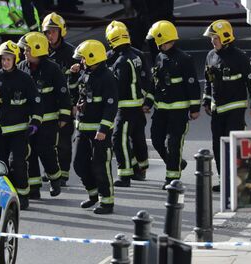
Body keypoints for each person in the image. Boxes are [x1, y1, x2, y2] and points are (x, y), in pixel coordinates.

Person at [0, 41, 43, 210]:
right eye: (3, 59)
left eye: (9, 59)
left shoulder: (25, 79)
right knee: (1, 166)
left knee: (18, 163)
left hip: (19, 131)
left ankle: (23, 195)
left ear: (15, 59)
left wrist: (35, 121)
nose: (5, 62)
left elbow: (36, 102)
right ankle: (7, 196)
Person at [202, 20, 251, 192]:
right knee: (218, 146)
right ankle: (224, 181)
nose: (213, 41)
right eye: (211, 38)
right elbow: (208, 81)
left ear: (225, 37)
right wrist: (206, 101)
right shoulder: (210, 56)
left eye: (215, 37)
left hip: (235, 109)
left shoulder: (240, 58)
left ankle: (238, 181)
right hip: (217, 110)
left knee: (233, 145)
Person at [144, 20, 200, 189]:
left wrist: (195, 108)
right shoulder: (159, 57)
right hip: (161, 110)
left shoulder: (184, 59)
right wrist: (148, 103)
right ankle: (175, 163)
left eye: (156, 39)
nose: (153, 42)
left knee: (173, 144)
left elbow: (192, 84)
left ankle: (172, 179)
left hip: (178, 111)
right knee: (156, 140)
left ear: (162, 38)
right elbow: (155, 84)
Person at [17, 32, 70, 198]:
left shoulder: (52, 69)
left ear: (37, 49)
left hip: (48, 121)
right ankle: (34, 188)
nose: (24, 52)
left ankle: (55, 178)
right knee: (29, 153)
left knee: (46, 151)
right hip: (29, 121)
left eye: (27, 49)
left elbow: (63, 94)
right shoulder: (22, 67)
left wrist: (64, 117)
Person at [71, 39, 118, 214]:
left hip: (99, 132)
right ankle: (93, 194)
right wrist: (73, 75)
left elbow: (111, 106)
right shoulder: (85, 74)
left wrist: (103, 129)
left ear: (92, 57)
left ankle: (107, 201)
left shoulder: (107, 77)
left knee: (100, 165)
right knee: (78, 164)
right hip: (82, 128)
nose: (81, 62)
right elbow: (75, 93)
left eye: (83, 58)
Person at [104, 21, 149, 187]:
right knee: (137, 137)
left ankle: (125, 174)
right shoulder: (137, 55)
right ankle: (140, 168)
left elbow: (116, 86)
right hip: (136, 106)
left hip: (124, 107)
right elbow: (146, 80)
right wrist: (145, 99)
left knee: (119, 139)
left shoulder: (119, 61)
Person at [42, 12, 78, 187]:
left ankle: (63, 174)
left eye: (53, 31)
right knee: (48, 142)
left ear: (61, 32)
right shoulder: (41, 51)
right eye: (47, 32)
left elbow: (81, 81)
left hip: (66, 105)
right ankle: (51, 171)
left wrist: (75, 103)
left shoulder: (72, 53)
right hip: (47, 105)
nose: (50, 35)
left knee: (64, 142)